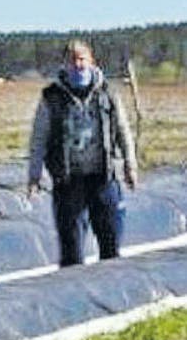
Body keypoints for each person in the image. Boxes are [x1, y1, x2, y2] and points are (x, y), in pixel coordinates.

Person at [27, 39, 138, 267]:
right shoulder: (52, 97)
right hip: (68, 180)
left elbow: (123, 131)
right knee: (71, 249)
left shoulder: (107, 93)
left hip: (103, 177)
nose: (77, 65)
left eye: (81, 59)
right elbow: (39, 138)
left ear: (91, 61)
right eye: (72, 60)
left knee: (110, 243)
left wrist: (130, 165)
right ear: (65, 64)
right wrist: (34, 175)